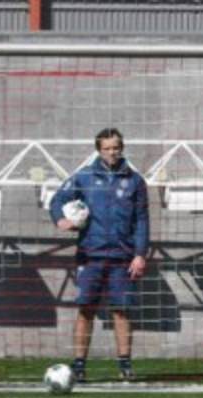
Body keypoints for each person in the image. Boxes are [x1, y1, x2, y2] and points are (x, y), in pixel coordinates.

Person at [49, 127, 150, 382]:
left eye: (116, 147)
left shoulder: (135, 181)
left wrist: (140, 254)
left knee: (121, 310)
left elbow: (142, 220)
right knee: (86, 310)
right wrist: (60, 219)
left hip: (122, 257)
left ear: (122, 148)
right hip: (89, 255)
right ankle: (80, 366)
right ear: (98, 150)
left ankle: (125, 365)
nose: (112, 152)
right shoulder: (83, 177)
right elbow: (57, 200)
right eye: (106, 148)